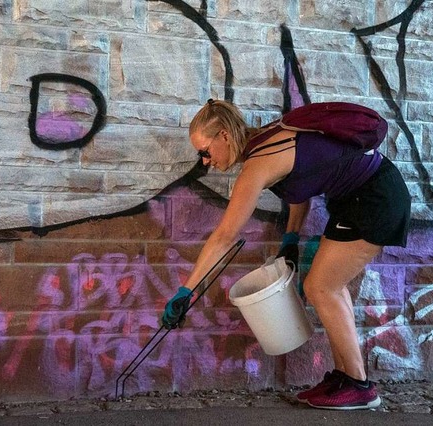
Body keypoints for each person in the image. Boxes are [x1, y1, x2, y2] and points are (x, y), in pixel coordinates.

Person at [161, 99, 411, 410]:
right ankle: (346, 377)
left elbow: (224, 236)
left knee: (321, 287)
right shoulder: (266, 139)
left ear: (224, 136)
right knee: (329, 287)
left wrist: (187, 290)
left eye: (205, 151)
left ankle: (359, 386)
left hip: (375, 199)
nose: (206, 161)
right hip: (356, 198)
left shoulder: (257, 165)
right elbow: (299, 191)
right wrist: (291, 236)